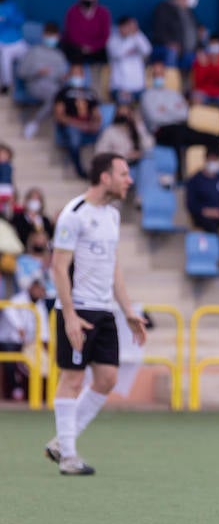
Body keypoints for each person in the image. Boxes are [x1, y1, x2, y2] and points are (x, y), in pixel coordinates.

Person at [41, 154, 142, 475]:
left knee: (107, 378)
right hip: (78, 308)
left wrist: (128, 311)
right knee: (71, 378)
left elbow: (113, 267)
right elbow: (58, 267)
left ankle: (61, 442)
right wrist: (69, 315)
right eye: (123, 174)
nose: (129, 180)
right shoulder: (74, 215)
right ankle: (68, 457)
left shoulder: (112, 216)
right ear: (104, 177)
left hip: (104, 311)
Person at [17, 22, 69, 140]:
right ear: (44, 35)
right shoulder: (34, 51)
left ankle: (62, 131)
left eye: (54, 36)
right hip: (35, 84)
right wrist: (37, 71)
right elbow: (21, 72)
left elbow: (61, 77)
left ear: (58, 37)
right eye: (49, 35)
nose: (51, 39)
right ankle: (34, 123)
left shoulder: (60, 55)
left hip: (55, 86)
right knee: (57, 96)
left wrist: (63, 77)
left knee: (61, 95)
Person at [150, 0, 200, 72]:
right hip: (167, 48)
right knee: (172, 52)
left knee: (200, 56)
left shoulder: (189, 11)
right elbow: (159, 30)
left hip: (188, 51)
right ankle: (170, 83)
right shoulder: (164, 7)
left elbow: (194, 30)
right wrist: (169, 43)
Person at [61, 0, 111, 67]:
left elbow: (104, 35)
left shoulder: (104, 13)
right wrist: (83, 47)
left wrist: (92, 47)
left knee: (105, 55)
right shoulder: (72, 11)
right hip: (76, 47)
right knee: (73, 51)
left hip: (96, 48)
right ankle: (75, 76)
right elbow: (72, 34)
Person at [106, 16, 151, 104]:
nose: (130, 29)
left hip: (138, 87)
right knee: (124, 108)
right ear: (120, 27)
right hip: (119, 87)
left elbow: (147, 50)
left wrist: (136, 34)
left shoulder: (137, 37)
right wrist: (131, 37)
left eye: (132, 27)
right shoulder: (112, 39)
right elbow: (117, 53)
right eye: (128, 26)